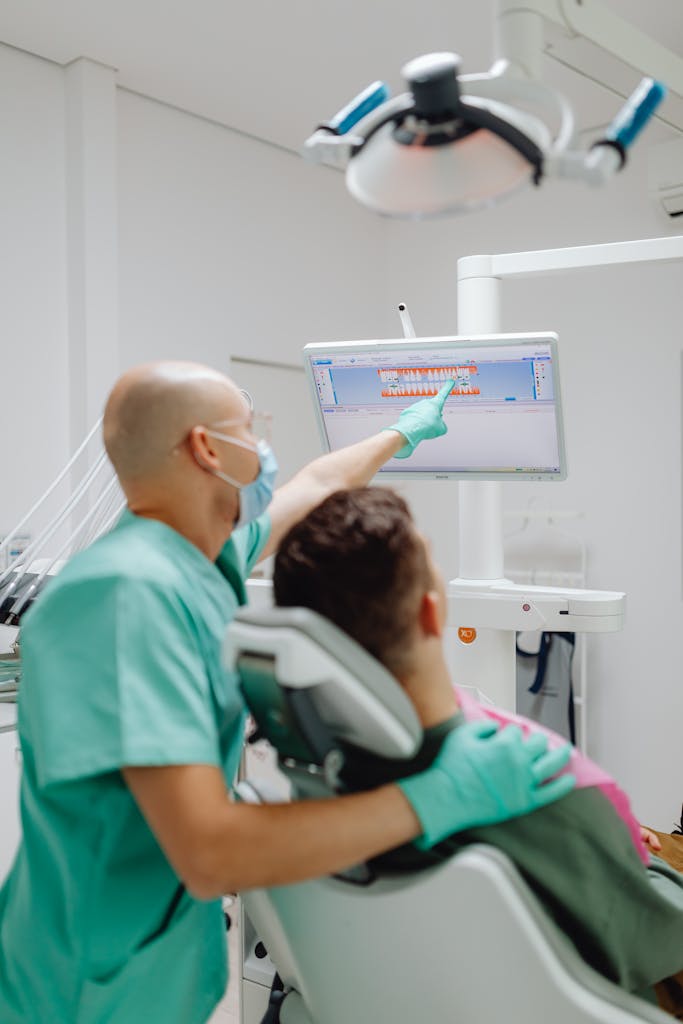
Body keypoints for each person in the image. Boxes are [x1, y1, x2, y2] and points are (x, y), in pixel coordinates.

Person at [0, 362, 573, 1024]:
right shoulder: (128, 597)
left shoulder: (195, 556)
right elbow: (210, 851)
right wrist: (437, 797)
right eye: (251, 430)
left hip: (146, 969)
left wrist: (401, 432)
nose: (262, 448)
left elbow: (319, 484)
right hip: (83, 991)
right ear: (206, 448)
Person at [273, 486, 683, 1007]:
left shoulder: (321, 786)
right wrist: (622, 851)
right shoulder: (537, 785)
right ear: (432, 612)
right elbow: (660, 933)